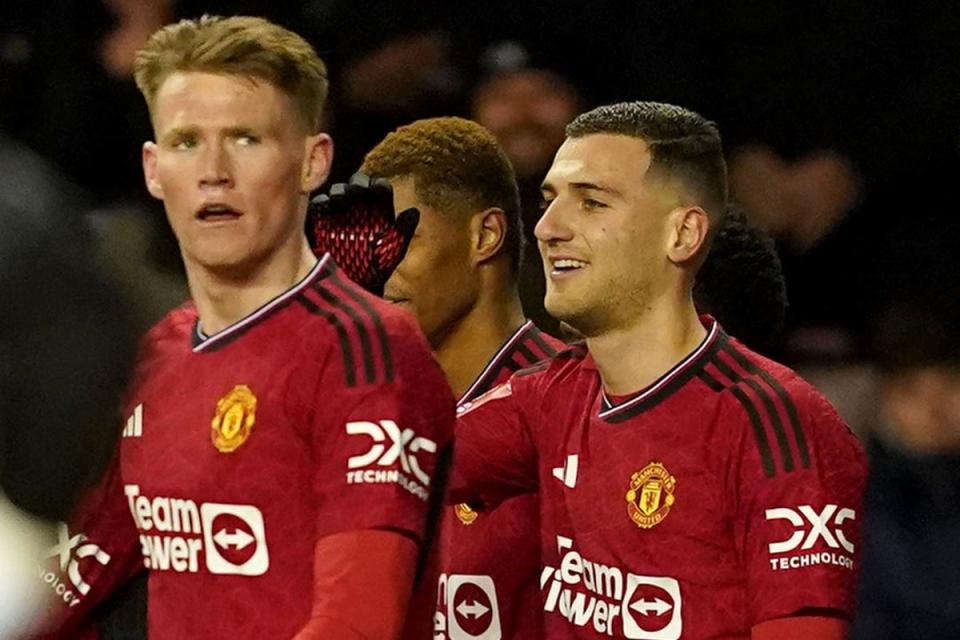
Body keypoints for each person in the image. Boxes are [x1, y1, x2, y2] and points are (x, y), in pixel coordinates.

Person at [36, 15, 454, 640]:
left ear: (313, 161)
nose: (213, 170)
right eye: (185, 142)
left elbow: (358, 621)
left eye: (246, 139)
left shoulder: (364, 351)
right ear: (153, 169)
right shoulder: (156, 353)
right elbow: (75, 574)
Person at [448, 102, 867, 639]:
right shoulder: (549, 396)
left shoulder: (778, 425)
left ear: (683, 234)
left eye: (592, 202)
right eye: (550, 201)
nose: (548, 229)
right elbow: (382, 459)